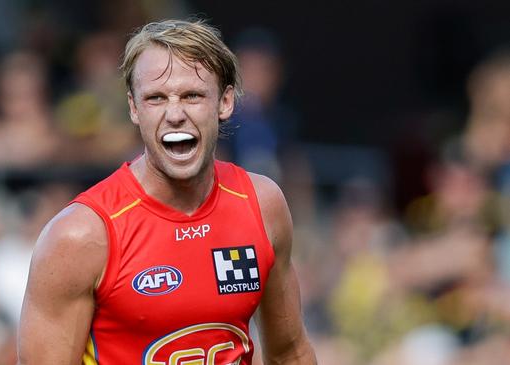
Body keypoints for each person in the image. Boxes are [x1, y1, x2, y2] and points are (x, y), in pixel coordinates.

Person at [17, 19, 317, 365]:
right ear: (134, 108)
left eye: (192, 95)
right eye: (156, 98)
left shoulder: (261, 206)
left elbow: (290, 353)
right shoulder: (80, 236)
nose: (175, 114)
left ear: (225, 102)